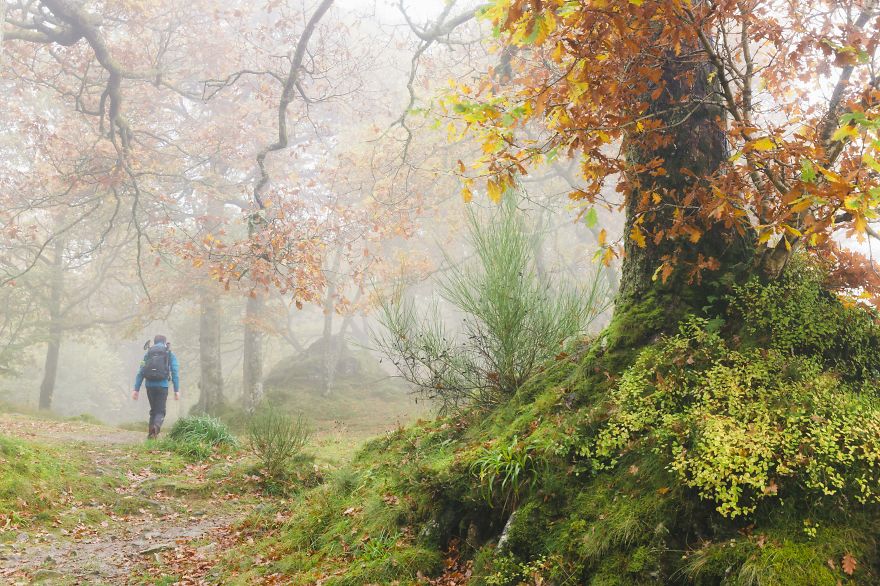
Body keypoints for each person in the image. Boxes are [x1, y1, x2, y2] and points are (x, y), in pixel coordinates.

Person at [132, 334, 180, 439]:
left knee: (153, 410)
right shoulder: (168, 353)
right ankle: (156, 427)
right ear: (164, 342)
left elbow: (141, 371)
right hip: (162, 386)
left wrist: (136, 389)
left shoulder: (148, 353)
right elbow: (175, 371)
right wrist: (176, 390)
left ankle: (150, 434)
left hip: (149, 385)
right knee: (161, 411)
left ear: (154, 342)